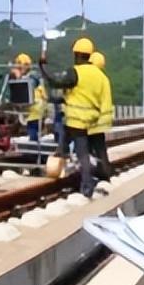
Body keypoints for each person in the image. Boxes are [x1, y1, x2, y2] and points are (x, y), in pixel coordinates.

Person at [38, 37, 111, 197]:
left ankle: (86, 186)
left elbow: (57, 82)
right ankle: (92, 175)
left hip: (76, 120)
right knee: (87, 151)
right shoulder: (99, 76)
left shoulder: (76, 72)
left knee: (82, 153)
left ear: (77, 55)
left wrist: (43, 67)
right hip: (92, 119)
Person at [89, 50, 116, 181]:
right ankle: (105, 172)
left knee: (86, 149)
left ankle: (90, 174)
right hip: (102, 121)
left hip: (89, 120)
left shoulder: (89, 77)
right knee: (100, 149)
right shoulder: (104, 79)